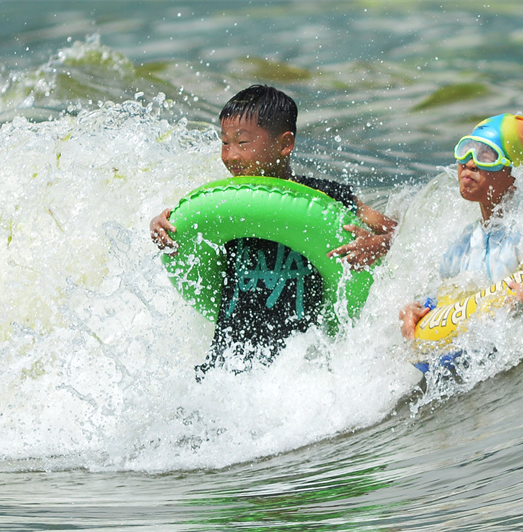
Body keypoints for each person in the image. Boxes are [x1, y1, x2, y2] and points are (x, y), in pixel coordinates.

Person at [150, 84, 397, 379]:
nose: (231, 156)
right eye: (225, 143)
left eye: (243, 143)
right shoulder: (224, 206)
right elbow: (185, 236)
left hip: (299, 368)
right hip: (225, 365)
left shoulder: (324, 196)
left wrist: (380, 243)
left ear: (285, 144)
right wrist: (160, 226)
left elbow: (400, 232)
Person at [400, 113, 523, 342]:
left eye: (486, 156)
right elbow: (447, 297)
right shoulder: (462, 245)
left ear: (515, 176)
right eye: (466, 149)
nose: (469, 163)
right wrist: (417, 310)